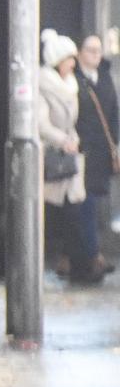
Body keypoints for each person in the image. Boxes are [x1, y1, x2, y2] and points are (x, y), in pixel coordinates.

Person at [37, 29, 101, 284]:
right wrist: (63, 140)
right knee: (44, 212)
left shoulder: (71, 85)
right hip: (51, 157)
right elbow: (41, 124)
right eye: (68, 59)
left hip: (70, 157)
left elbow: (70, 121)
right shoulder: (45, 85)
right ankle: (7, 262)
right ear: (57, 61)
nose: (73, 63)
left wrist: (72, 139)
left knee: (75, 210)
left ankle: (83, 265)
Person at [74, 34, 118, 277]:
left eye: (98, 50)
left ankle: (81, 255)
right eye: (90, 50)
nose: (95, 55)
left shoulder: (105, 77)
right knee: (85, 203)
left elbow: (113, 111)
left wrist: (115, 143)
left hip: (101, 152)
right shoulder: (75, 80)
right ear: (80, 53)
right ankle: (92, 255)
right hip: (82, 151)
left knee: (92, 204)